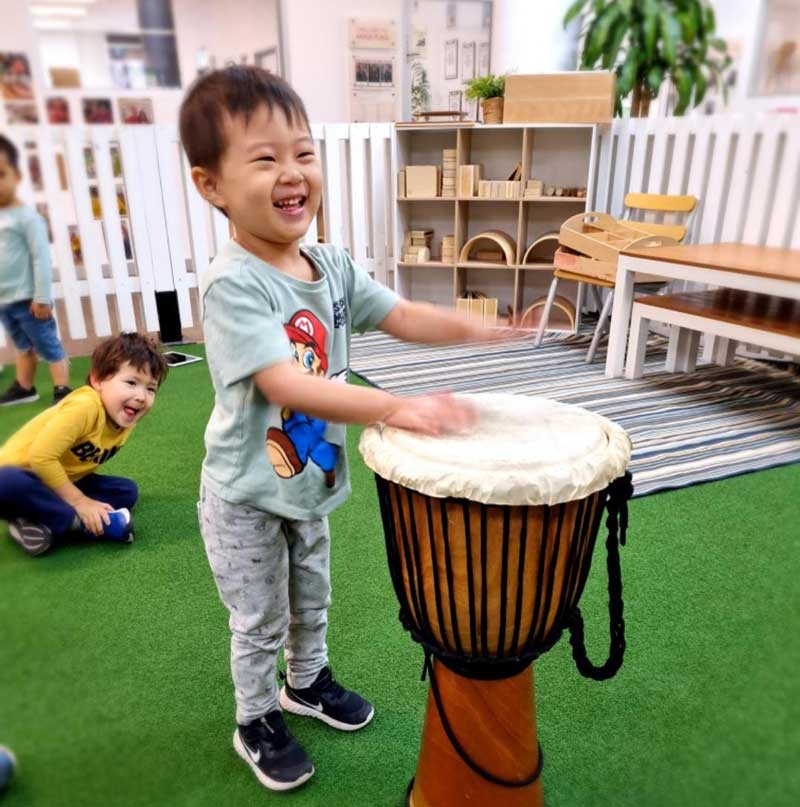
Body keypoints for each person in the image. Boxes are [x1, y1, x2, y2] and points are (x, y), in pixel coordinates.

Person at [181, 65, 510, 792]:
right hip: (245, 492)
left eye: (302, 152)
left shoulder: (328, 265)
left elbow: (397, 314)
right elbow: (285, 382)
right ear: (212, 185)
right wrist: (396, 406)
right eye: (264, 158)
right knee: (259, 614)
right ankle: (255, 715)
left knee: (314, 592)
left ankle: (306, 682)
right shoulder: (233, 283)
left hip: (309, 480)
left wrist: (470, 325)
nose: (292, 172)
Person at [0, 332, 168, 556]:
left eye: (150, 389)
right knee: (7, 481)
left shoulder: (125, 419)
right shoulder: (85, 406)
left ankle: (37, 523)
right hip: (21, 475)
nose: (141, 396)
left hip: (56, 481)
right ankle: (80, 524)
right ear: (98, 380)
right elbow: (40, 457)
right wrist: (80, 502)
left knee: (126, 492)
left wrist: (83, 498)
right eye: (131, 382)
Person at [0, 134, 72, 407]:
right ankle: (24, 386)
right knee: (22, 345)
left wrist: (42, 297)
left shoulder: (28, 218)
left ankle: (62, 389)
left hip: (29, 300)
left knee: (48, 344)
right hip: (4, 299)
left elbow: (41, 259)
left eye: (0, 174)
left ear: (16, 175)